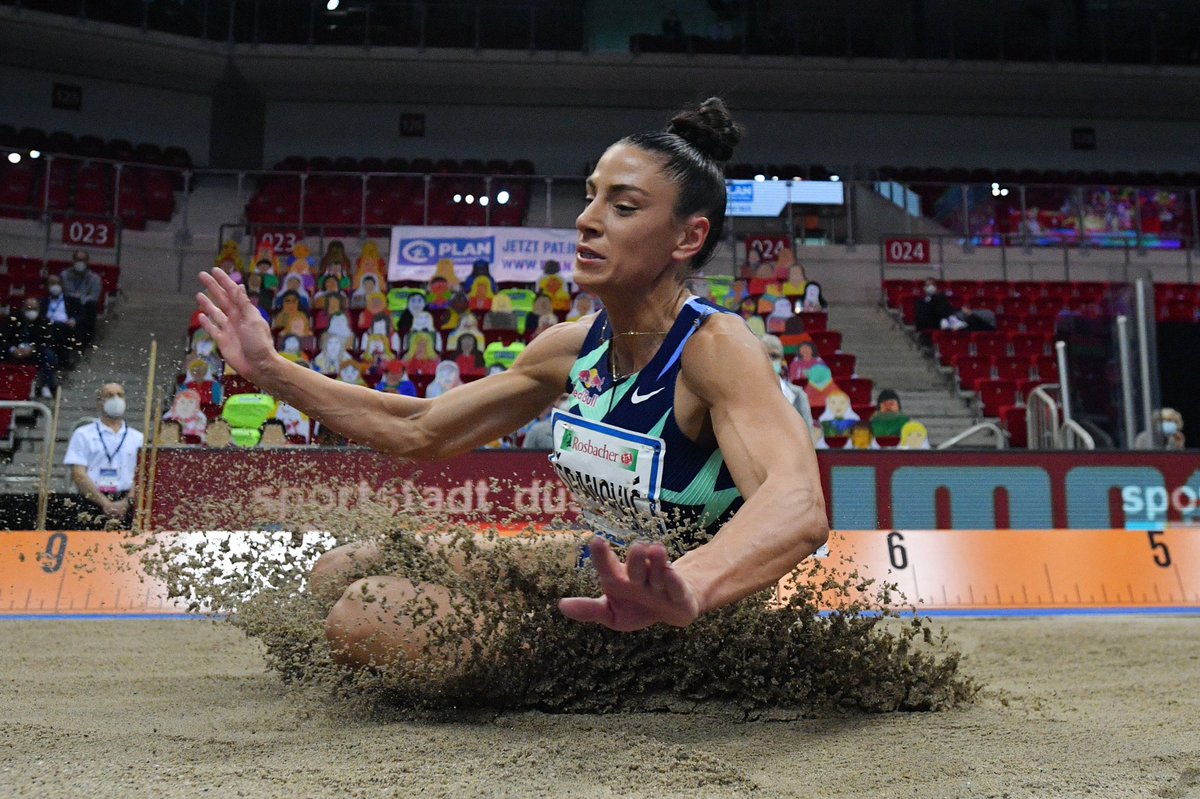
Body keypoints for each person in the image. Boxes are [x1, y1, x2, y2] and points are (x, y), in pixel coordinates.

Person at [196, 97, 828, 669]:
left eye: (623, 206)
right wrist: (270, 371)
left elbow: (797, 506)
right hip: (597, 570)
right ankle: (554, 650)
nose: (587, 220)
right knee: (342, 570)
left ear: (688, 237)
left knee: (365, 612)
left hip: (687, 618)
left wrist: (692, 584)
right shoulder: (571, 347)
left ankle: (580, 673)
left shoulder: (714, 349)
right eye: (591, 195)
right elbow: (416, 430)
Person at [63, 382, 144, 528]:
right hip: (92, 501)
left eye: (119, 395)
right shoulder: (83, 434)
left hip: (127, 503)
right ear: (99, 402)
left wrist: (127, 502)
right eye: (109, 395)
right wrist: (105, 503)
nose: (116, 399)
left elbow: (142, 475)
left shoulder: (138, 438)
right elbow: (78, 474)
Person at [2, 297, 60, 398]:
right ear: (23, 308)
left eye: (34, 309)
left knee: (49, 355)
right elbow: (3, 337)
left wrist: (33, 349)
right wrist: (13, 349)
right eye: (29, 308)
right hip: (14, 351)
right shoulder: (12, 318)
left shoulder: (44, 321)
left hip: (34, 352)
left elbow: (47, 341)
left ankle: (46, 385)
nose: (31, 311)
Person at [761, 334, 813, 430]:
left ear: (781, 361)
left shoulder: (799, 396)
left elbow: (809, 438)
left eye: (774, 356)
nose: (769, 361)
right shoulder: (746, 396)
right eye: (764, 356)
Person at [60, 250, 103, 346]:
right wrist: (76, 299)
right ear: (73, 260)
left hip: (84, 306)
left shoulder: (95, 278)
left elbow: (94, 296)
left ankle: (86, 339)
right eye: (78, 259)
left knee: (91, 305)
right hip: (69, 305)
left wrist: (79, 300)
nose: (80, 262)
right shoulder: (64, 275)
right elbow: (64, 293)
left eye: (83, 260)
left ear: (87, 262)